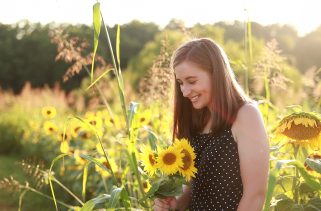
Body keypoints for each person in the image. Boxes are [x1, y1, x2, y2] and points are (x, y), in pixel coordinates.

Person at [153, 38, 269, 211]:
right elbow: (196, 187)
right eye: (181, 83)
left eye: (191, 81)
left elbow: (255, 195)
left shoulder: (245, 115)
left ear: (216, 74)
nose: (184, 91)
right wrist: (176, 203)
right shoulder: (197, 119)